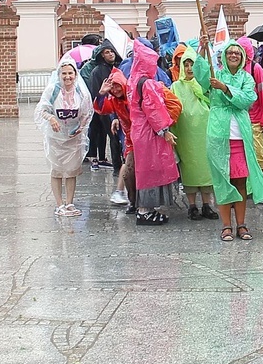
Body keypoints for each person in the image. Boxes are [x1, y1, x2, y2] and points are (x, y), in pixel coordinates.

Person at [206, 41, 263, 242]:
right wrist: (203, 50)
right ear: (224, 56)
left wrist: (226, 89)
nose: (234, 55)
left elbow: (247, 99)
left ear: (243, 57)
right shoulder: (215, 74)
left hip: (240, 138)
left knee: (240, 181)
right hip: (219, 136)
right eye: (230, 52)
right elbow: (201, 77)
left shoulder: (247, 78)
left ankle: (242, 224)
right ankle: (226, 226)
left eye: (238, 52)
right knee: (222, 181)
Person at [127, 39, 180, 225]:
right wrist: (164, 130)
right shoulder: (147, 83)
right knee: (152, 171)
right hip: (150, 132)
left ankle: (145, 209)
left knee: (145, 170)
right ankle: (145, 211)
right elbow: (154, 109)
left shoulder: (133, 81)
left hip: (140, 131)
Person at [34, 58, 93, 216]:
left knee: (72, 171)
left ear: (75, 74)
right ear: (59, 74)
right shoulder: (53, 90)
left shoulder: (81, 91)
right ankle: (59, 204)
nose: (67, 77)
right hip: (56, 137)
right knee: (57, 171)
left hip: (73, 138)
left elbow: (87, 113)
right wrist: (52, 119)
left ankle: (70, 203)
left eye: (70, 73)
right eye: (64, 73)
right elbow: (42, 110)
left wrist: (81, 127)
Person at [170, 46, 219, 220]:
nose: (190, 68)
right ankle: (192, 206)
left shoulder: (204, 84)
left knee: (206, 169)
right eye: (187, 64)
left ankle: (207, 205)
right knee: (190, 170)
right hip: (186, 135)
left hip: (205, 134)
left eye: (193, 64)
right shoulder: (176, 86)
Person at [236, 36, 263, 207]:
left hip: (255, 121)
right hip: (238, 121)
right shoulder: (233, 70)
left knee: (260, 156)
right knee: (240, 157)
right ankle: (245, 189)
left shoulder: (256, 68)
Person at [94, 68, 133, 209]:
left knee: (132, 162)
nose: (116, 90)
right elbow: (101, 108)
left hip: (141, 134)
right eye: (113, 87)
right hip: (129, 135)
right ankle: (122, 192)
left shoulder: (132, 94)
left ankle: (126, 193)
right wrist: (102, 94)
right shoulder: (115, 99)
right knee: (129, 161)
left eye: (118, 86)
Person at [88, 39, 123, 172]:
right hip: (105, 109)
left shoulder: (118, 68)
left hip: (119, 107)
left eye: (111, 51)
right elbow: (96, 92)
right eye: (107, 52)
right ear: (102, 55)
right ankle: (117, 167)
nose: (110, 54)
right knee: (113, 137)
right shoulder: (97, 71)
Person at [77, 33, 103, 164]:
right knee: (91, 128)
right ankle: (90, 153)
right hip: (90, 101)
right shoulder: (86, 67)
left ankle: (101, 155)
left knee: (100, 129)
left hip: (99, 101)